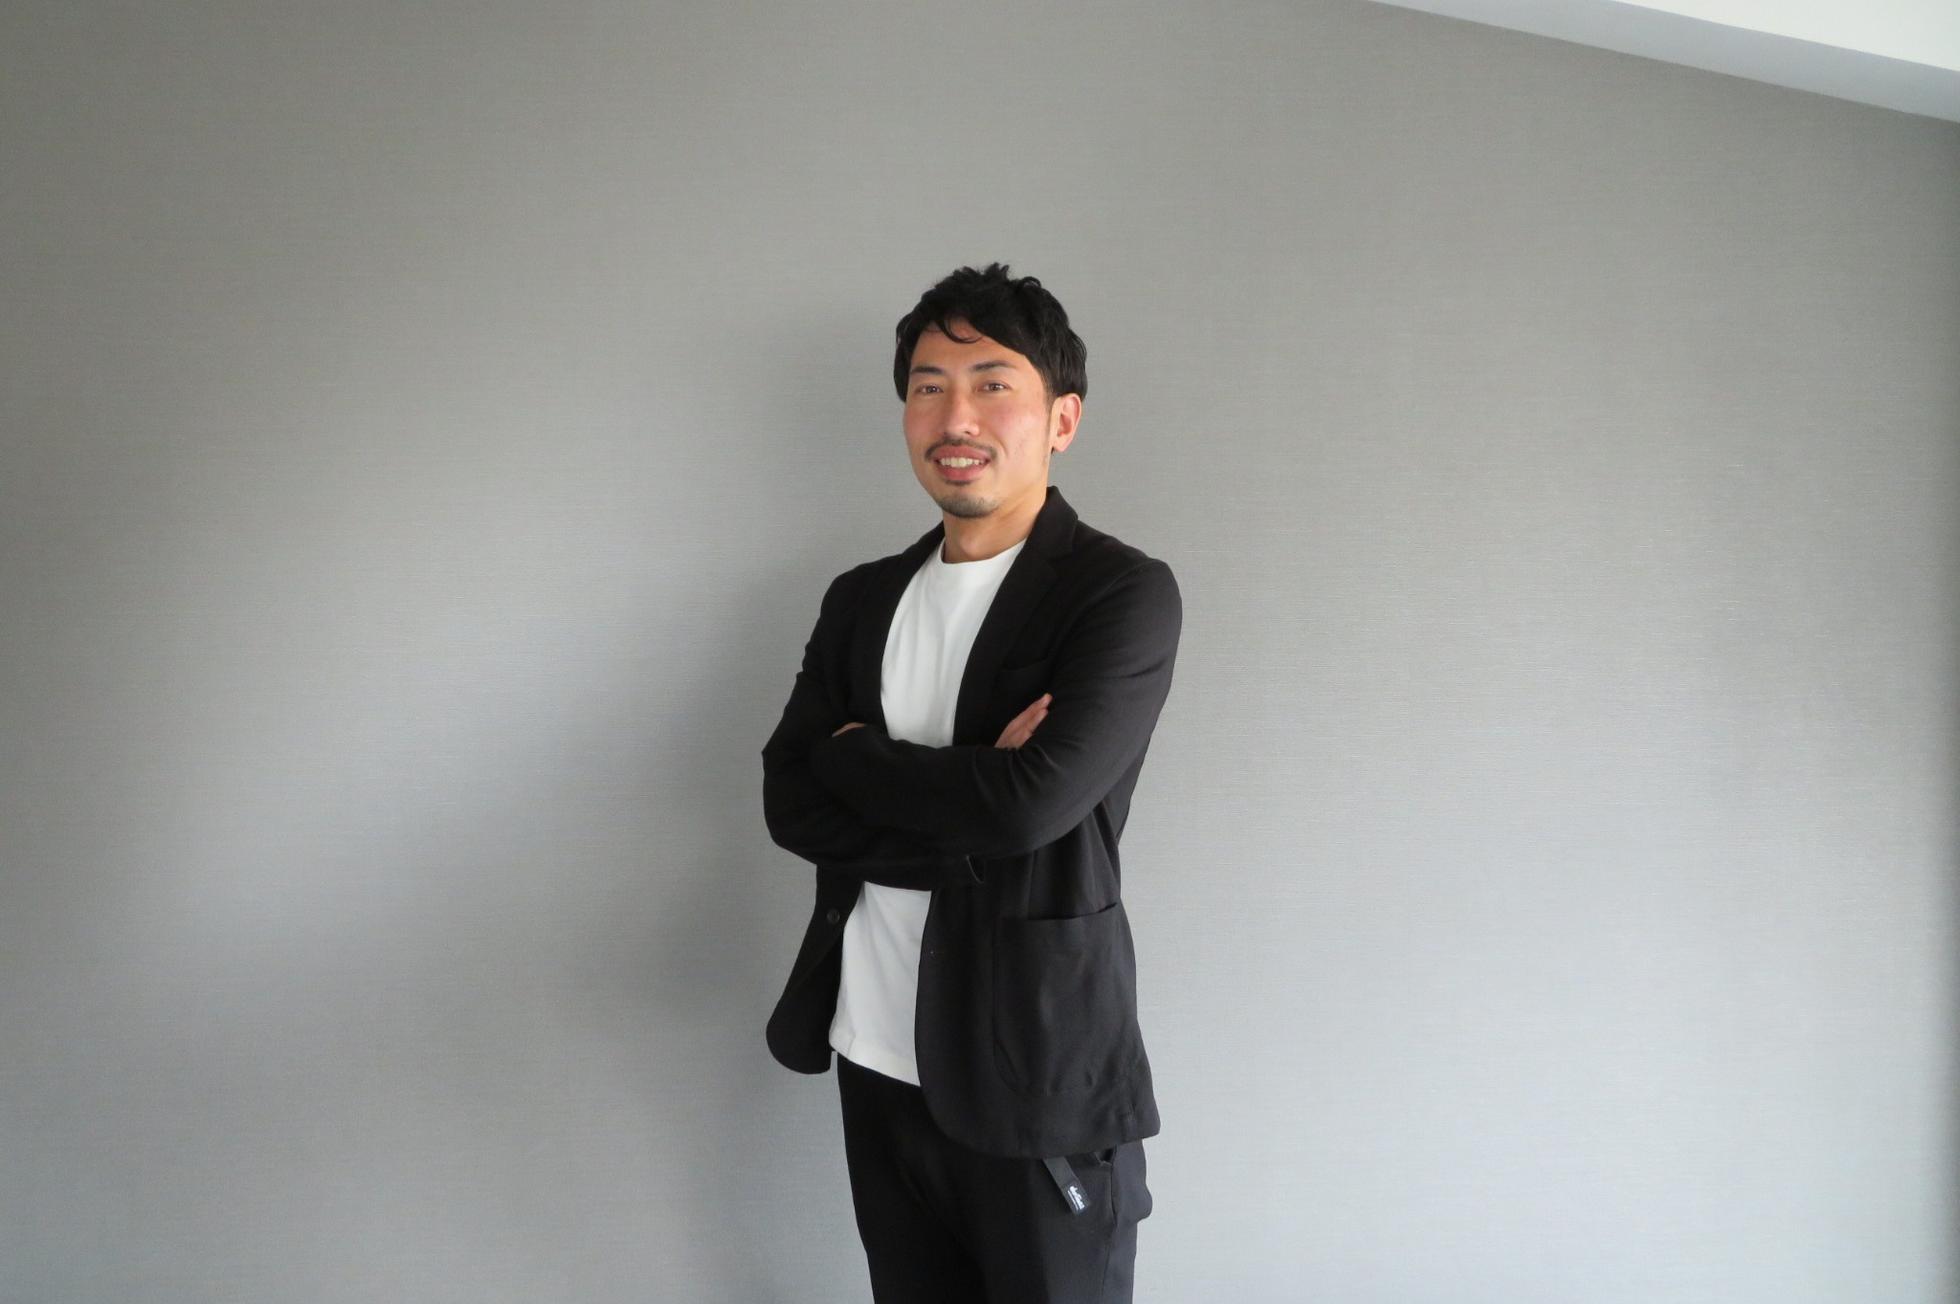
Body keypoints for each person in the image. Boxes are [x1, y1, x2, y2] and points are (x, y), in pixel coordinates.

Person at [760, 261, 1183, 1303]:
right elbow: (787, 799)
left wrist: (852, 756)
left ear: (1062, 418)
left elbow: (1030, 805)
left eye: (993, 383)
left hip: (1034, 1069)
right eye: (928, 386)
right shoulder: (861, 598)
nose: (956, 416)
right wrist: (974, 786)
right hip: (874, 1051)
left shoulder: (1118, 593)